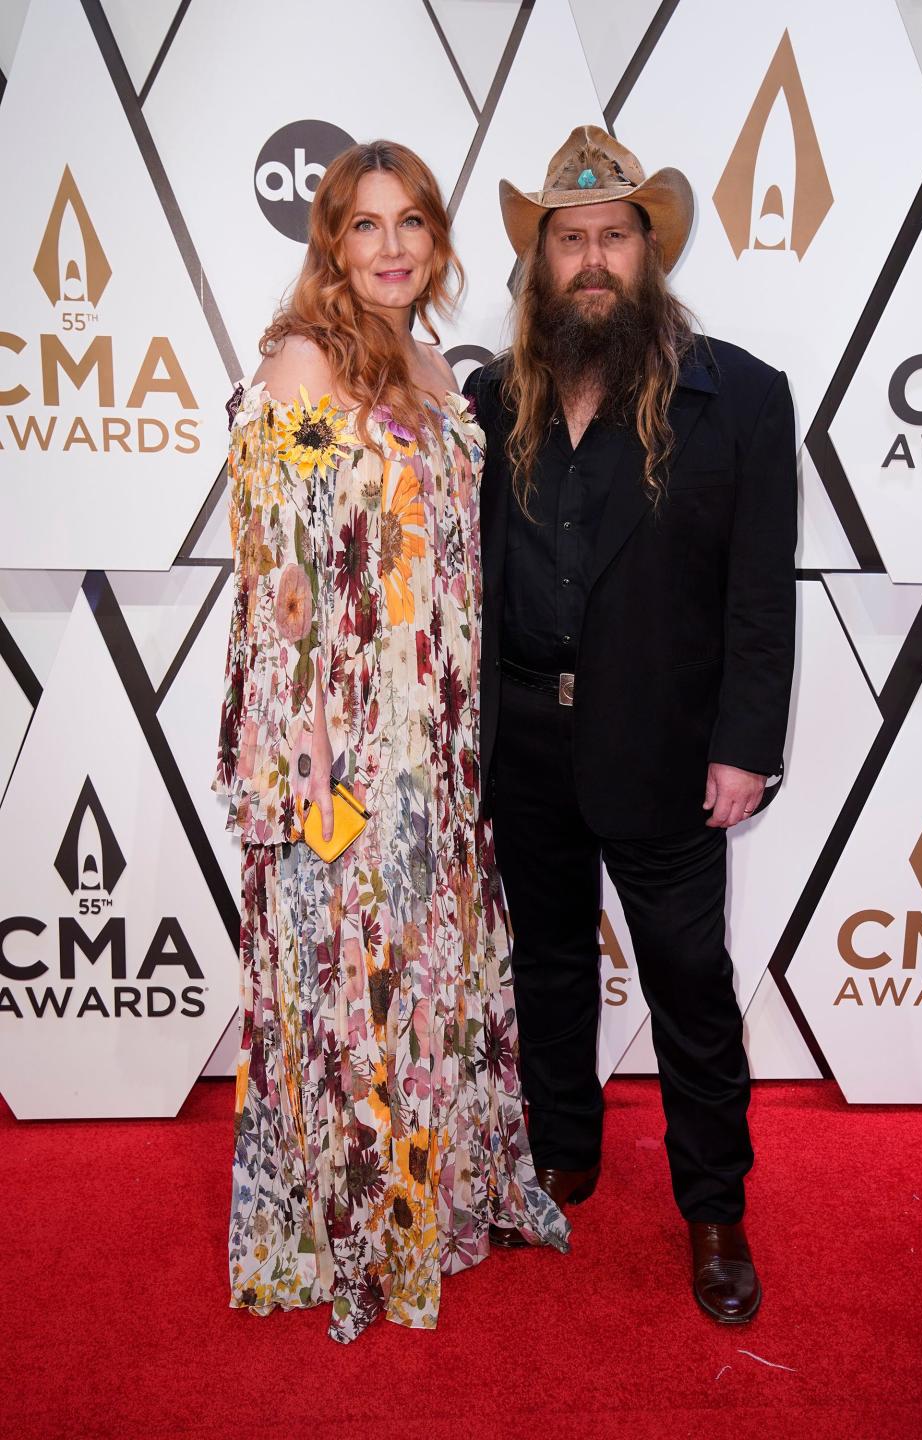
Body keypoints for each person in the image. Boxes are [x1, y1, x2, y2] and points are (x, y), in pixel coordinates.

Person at [214, 139, 568, 1345]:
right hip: (350, 745)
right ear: (331, 242)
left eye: (412, 221)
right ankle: (356, 1223)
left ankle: (440, 1194)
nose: (393, 247)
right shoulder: (302, 364)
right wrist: (309, 753)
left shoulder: (432, 366)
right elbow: (282, 577)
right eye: (366, 226)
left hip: (444, 736)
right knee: (349, 989)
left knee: (425, 977)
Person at [464, 126, 797, 1323]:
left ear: (647, 254)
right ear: (541, 264)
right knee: (548, 966)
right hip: (527, 747)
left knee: (690, 987)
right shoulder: (494, 397)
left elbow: (761, 598)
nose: (591, 260)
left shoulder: (744, 398)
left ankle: (715, 1211)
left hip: (664, 750)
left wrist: (746, 746)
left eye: (612, 237)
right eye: (569, 241)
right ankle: (565, 1152)